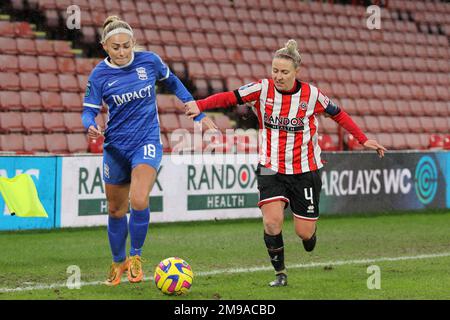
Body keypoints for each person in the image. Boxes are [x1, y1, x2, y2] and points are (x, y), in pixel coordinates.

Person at [185, 39, 386, 287]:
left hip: (306, 169)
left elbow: (339, 114)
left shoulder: (311, 95)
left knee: (305, 234)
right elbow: (230, 97)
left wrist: (363, 139)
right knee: (271, 222)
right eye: (275, 71)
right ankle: (280, 273)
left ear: (296, 72)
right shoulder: (261, 89)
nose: (278, 76)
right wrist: (199, 105)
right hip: (270, 166)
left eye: (284, 72)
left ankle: (310, 234)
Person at [81, 16, 217, 286]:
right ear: (104, 46)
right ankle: (118, 261)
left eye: (127, 46)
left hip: (147, 142)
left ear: (133, 43)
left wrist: (195, 109)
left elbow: (174, 83)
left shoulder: (149, 61)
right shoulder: (99, 75)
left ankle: (135, 257)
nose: (122, 52)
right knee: (115, 210)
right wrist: (91, 125)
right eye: (116, 47)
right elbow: (88, 111)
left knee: (139, 199)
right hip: (115, 147)